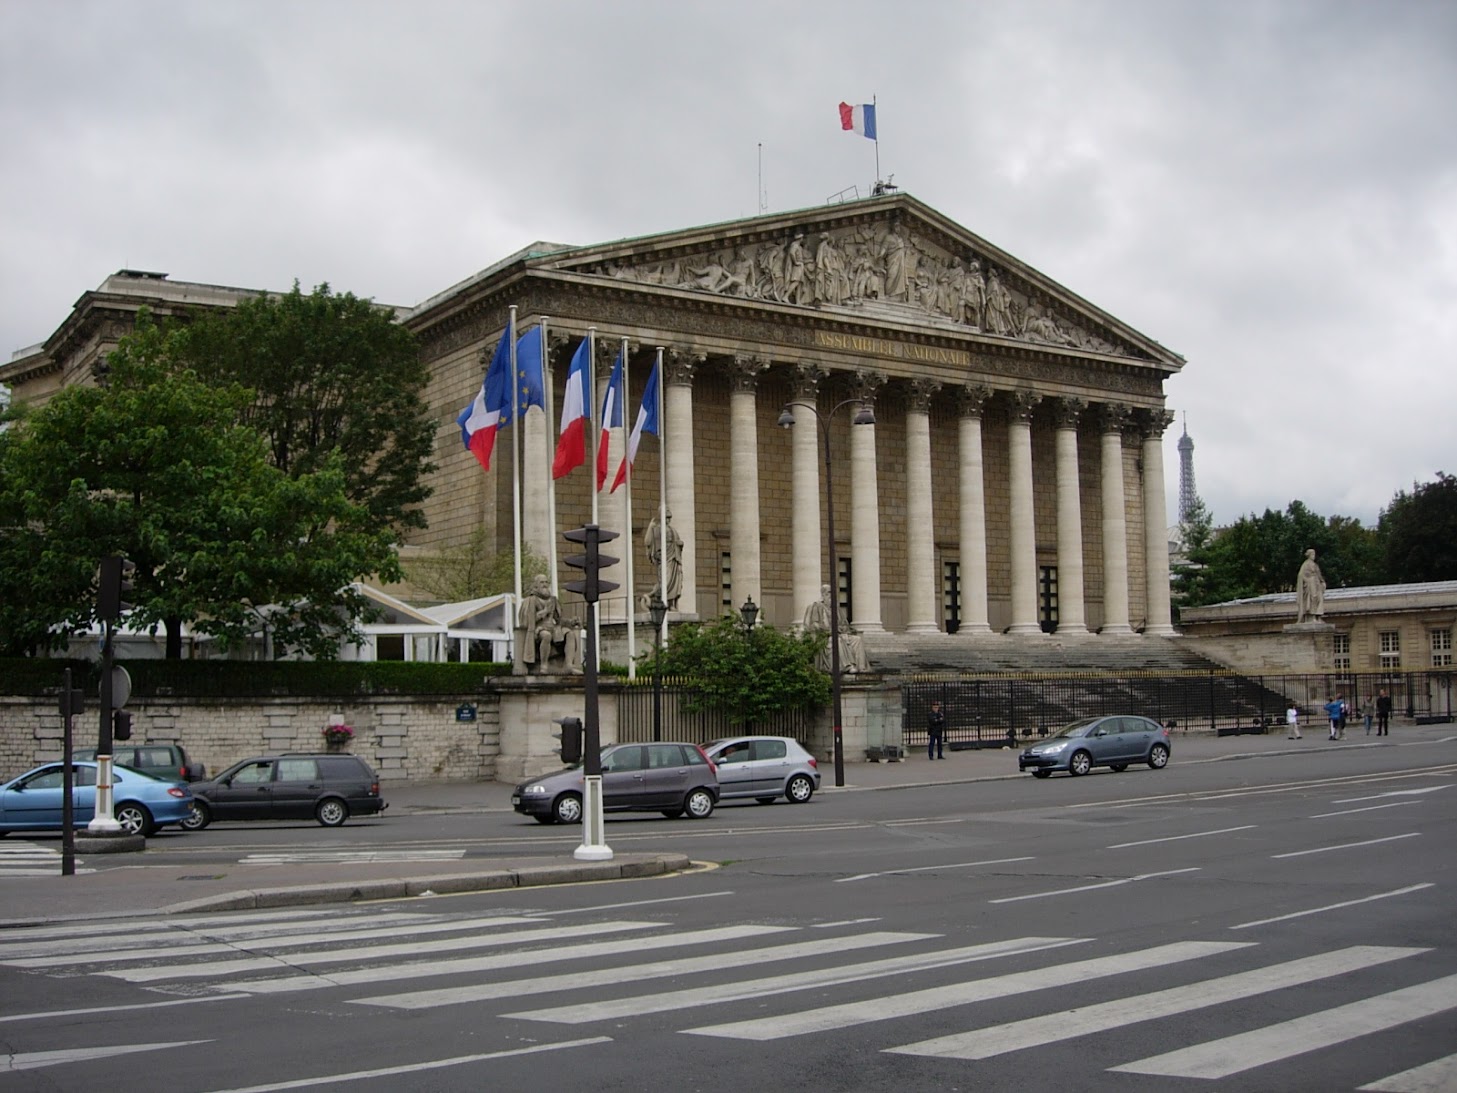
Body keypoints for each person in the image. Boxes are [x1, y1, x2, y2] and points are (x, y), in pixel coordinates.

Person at [519, 574, 580, 672]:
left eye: (546, 582)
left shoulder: (553, 600)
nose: (544, 584)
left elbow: (559, 619)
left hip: (553, 628)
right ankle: (544, 665)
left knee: (570, 634)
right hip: (538, 629)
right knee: (546, 636)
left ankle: (568, 665)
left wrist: (571, 622)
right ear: (536, 585)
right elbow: (526, 621)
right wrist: (544, 612)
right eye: (541, 582)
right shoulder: (531, 600)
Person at [643, 509, 684, 611]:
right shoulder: (656, 529)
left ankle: (671, 604)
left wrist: (680, 544)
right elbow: (648, 542)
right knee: (665, 581)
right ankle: (654, 598)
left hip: (674, 557)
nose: (668, 520)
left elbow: (676, 541)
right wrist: (650, 527)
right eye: (666, 518)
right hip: (664, 558)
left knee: (675, 580)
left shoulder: (673, 530)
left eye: (669, 518)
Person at [1295, 548, 1326, 624]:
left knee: (1319, 598)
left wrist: (1322, 582)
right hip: (1310, 583)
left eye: (1314, 554)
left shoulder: (1315, 565)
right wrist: (1307, 580)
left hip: (1317, 583)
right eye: (1312, 554)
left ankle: (1318, 616)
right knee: (1312, 598)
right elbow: (1301, 575)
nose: (1313, 556)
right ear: (1309, 555)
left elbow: (1319, 575)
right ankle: (1311, 616)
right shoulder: (1305, 564)